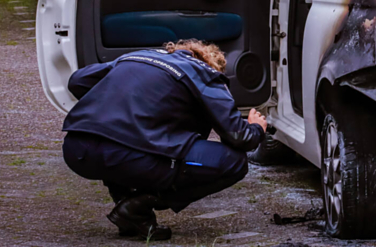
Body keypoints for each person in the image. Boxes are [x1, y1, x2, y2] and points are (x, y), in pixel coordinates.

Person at [61, 39, 266, 240]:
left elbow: (77, 81)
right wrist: (256, 127)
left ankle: (133, 215)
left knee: (130, 145)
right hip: (128, 156)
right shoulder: (204, 73)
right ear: (211, 64)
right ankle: (140, 204)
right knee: (234, 162)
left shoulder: (136, 57)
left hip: (78, 150)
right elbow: (240, 137)